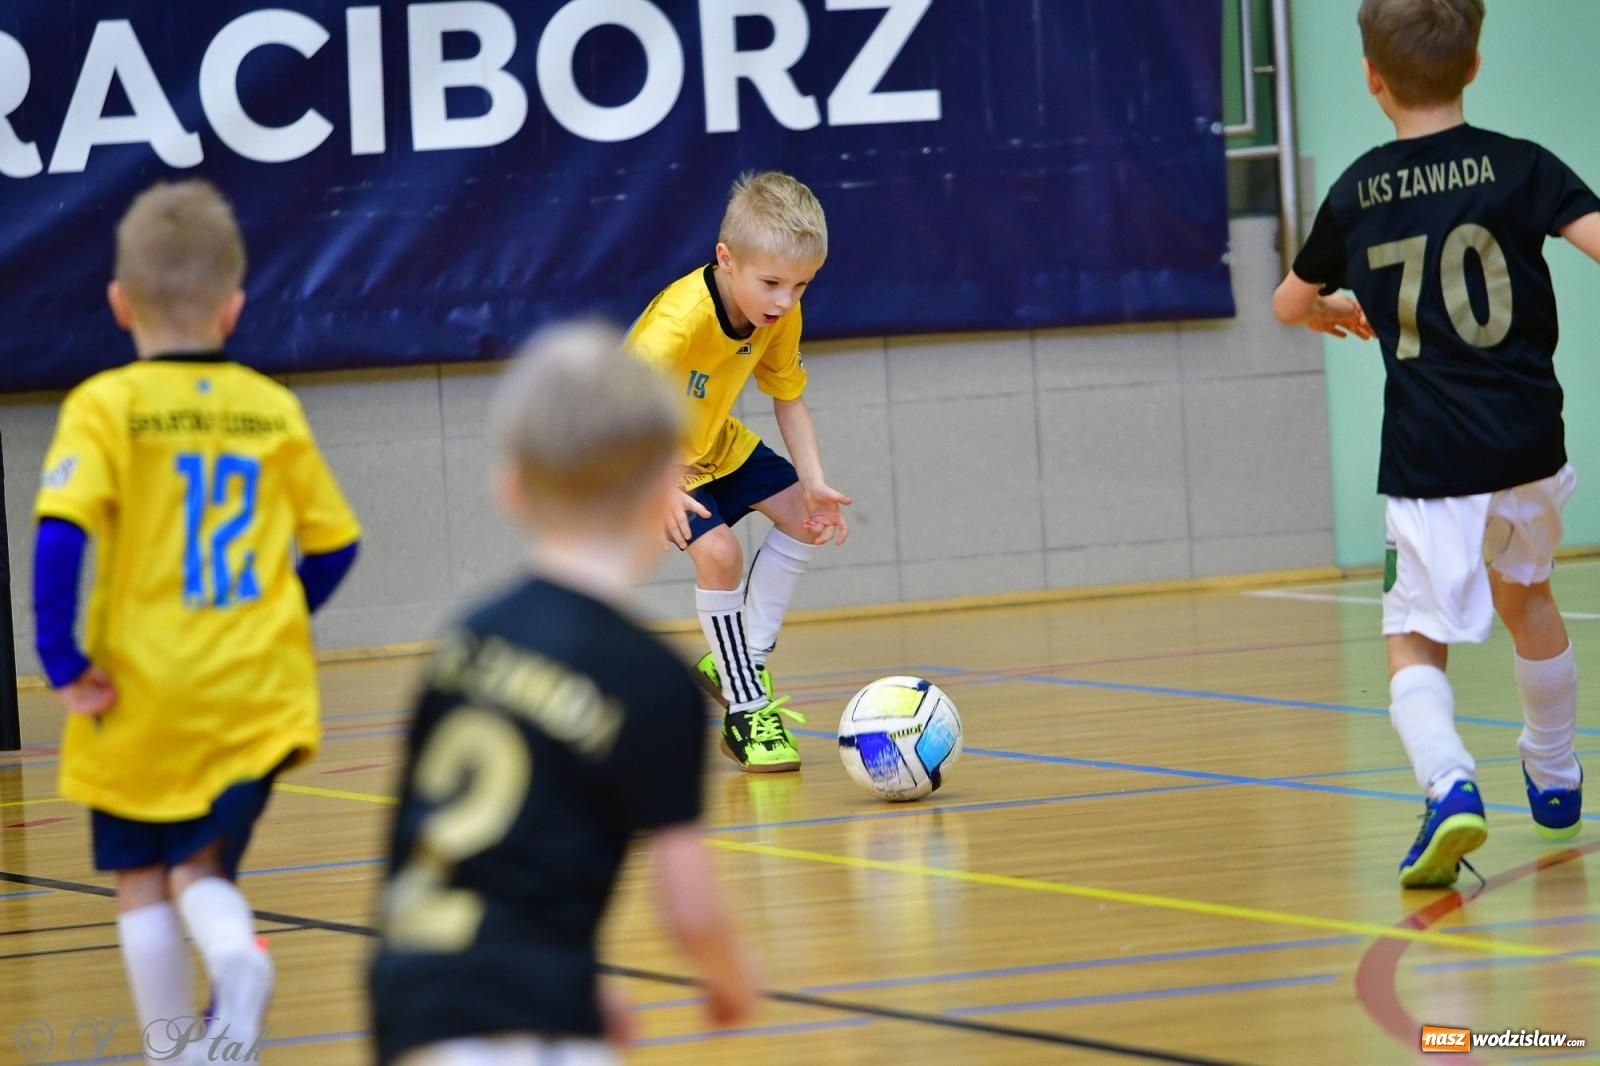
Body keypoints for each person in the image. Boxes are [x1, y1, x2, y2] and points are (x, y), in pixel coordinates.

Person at [31, 180, 361, 1061]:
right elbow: (334, 549)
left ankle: (174, 1048)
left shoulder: (103, 406)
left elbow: (60, 538)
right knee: (201, 869)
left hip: (143, 688)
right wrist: (277, 616)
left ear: (117, 301)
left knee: (141, 879)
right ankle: (231, 957)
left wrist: (62, 661)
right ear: (235, 306)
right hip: (255, 687)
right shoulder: (271, 407)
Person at [1274, 0, 1600, 886]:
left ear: (1373, 79)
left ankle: (1450, 786)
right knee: (1529, 596)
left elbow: (1288, 305)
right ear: (1475, 64)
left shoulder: (1357, 191)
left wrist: (1341, 306)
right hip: (1531, 446)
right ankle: (1557, 769)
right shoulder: (1523, 165)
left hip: (1432, 461)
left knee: (1414, 638)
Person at [369, 322, 757, 1066]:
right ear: (662, 498)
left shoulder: (462, 645)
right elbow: (688, 901)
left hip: (411, 1002)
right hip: (532, 1017)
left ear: (510, 491)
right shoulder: (650, 677)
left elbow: (428, 846)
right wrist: (729, 975)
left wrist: (572, 984)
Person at [626, 171, 851, 774]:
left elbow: (788, 398)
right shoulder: (677, 322)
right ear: (726, 260)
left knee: (807, 519)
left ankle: (736, 660)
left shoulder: (781, 316)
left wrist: (815, 479)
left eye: (802, 286)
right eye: (772, 283)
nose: (785, 301)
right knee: (720, 554)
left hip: (716, 443)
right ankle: (747, 708)